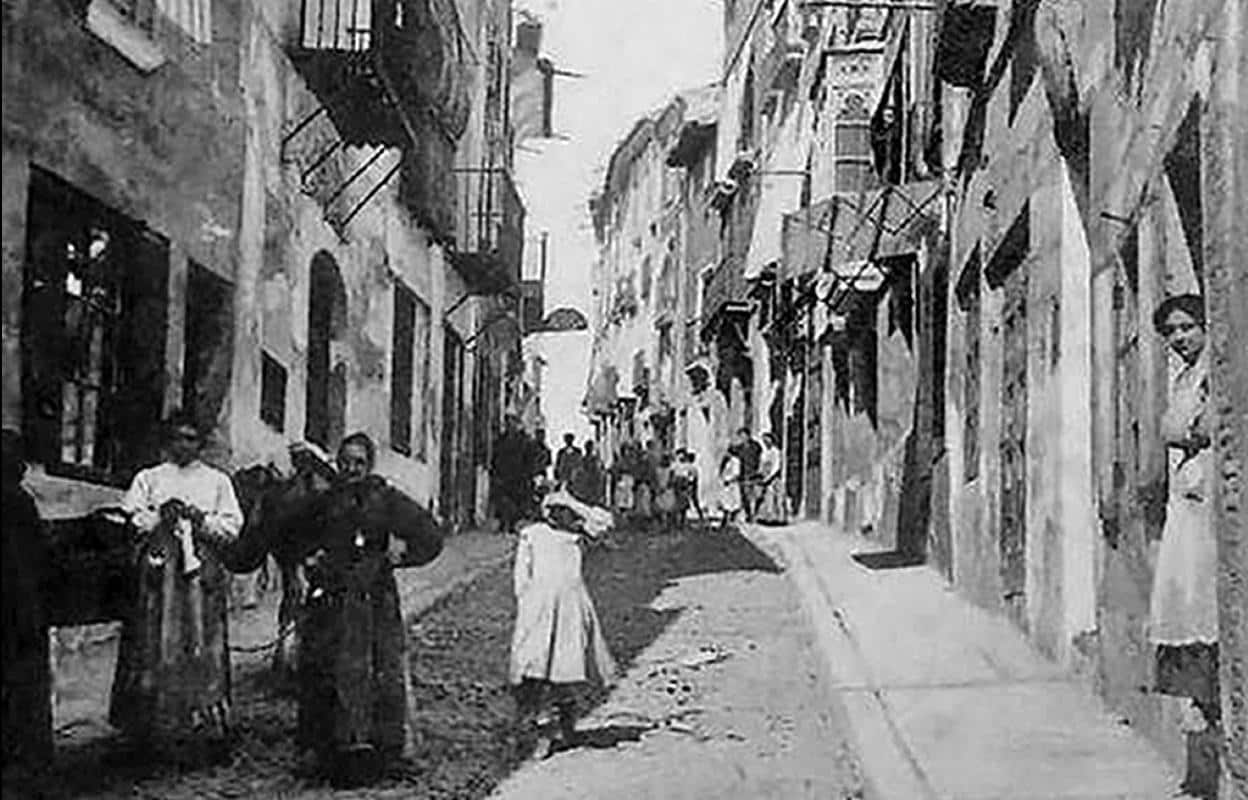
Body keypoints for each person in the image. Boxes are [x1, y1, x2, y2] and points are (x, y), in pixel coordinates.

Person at [292, 432, 444, 788]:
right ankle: (325, 749)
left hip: (373, 599)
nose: (351, 468)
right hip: (330, 598)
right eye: (345, 461)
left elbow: (431, 536)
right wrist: (309, 559)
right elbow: (297, 534)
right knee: (325, 667)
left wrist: (402, 555)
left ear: (370, 464)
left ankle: (382, 751)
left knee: (378, 668)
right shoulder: (325, 499)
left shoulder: (385, 497)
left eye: (359, 462)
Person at [110, 410, 244, 765]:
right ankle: (152, 731)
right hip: (160, 574)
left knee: (201, 640)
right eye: (178, 437)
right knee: (156, 641)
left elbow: (232, 527)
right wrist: (158, 516)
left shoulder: (217, 482)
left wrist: (200, 519)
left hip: (200, 576)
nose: (184, 444)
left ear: (201, 443)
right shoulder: (149, 477)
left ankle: (202, 728)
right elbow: (131, 517)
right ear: (167, 440)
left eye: (191, 438)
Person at [1148, 294, 1220, 799]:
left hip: (1209, 503)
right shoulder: (1182, 378)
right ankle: (1202, 768)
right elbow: (1172, 429)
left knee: (1205, 608)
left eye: (1187, 327)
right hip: (1186, 506)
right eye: (1171, 331)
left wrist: (1187, 429)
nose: (1179, 338)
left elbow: (1203, 426)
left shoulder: (1216, 369)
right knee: (1184, 608)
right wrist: (1183, 429)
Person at [509, 487, 617, 759]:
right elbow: (521, 578)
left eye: (563, 511)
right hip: (538, 610)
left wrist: (575, 504)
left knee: (564, 669)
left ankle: (566, 727)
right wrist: (528, 605)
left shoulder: (576, 537)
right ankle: (539, 734)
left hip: (570, 608)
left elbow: (605, 523)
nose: (558, 516)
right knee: (535, 669)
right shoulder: (532, 534)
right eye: (553, 510)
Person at [2, 430, 52, 770]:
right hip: (18, 605)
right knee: (22, 677)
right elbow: (38, 555)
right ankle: (24, 753)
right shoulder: (18, 501)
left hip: (15, 601)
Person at [492, 415, 533, 534]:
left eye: (512, 423)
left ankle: (512, 524)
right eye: (508, 423)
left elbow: (528, 459)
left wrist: (527, 475)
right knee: (502, 500)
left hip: (518, 476)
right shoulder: (501, 440)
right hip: (503, 475)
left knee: (516, 501)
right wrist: (495, 473)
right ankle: (503, 522)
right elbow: (495, 458)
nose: (510, 426)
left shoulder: (523, 441)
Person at [754, 433, 787, 525]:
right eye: (764, 441)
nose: (766, 443)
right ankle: (767, 518)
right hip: (766, 476)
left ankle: (779, 518)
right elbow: (761, 465)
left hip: (774, 478)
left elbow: (776, 466)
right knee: (767, 498)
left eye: (767, 440)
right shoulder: (764, 453)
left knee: (777, 498)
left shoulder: (776, 452)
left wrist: (770, 477)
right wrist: (761, 474)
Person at [735, 429, 762, 523]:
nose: (743, 438)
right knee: (745, 497)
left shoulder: (756, 446)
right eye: (741, 436)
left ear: (748, 436)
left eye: (744, 436)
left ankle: (755, 513)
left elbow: (761, 458)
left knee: (757, 495)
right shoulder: (739, 448)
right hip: (743, 475)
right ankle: (748, 514)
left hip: (755, 474)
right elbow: (729, 455)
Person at [569, 440, 605, 506]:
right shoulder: (581, 460)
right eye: (587, 447)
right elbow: (576, 473)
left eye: (590, 447)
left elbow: (600, 475)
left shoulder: (596, 460)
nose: (589, 448)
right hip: (583, 488)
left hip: (593, 487)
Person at [717, 446, 743, 530]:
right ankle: (726, 521)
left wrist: (728, 479)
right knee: (726, 504)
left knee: (732, 504)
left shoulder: (735, 461)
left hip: (731, 485)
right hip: (726, 485)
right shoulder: (727, 461)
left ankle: (731, 521)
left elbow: (736, 474)